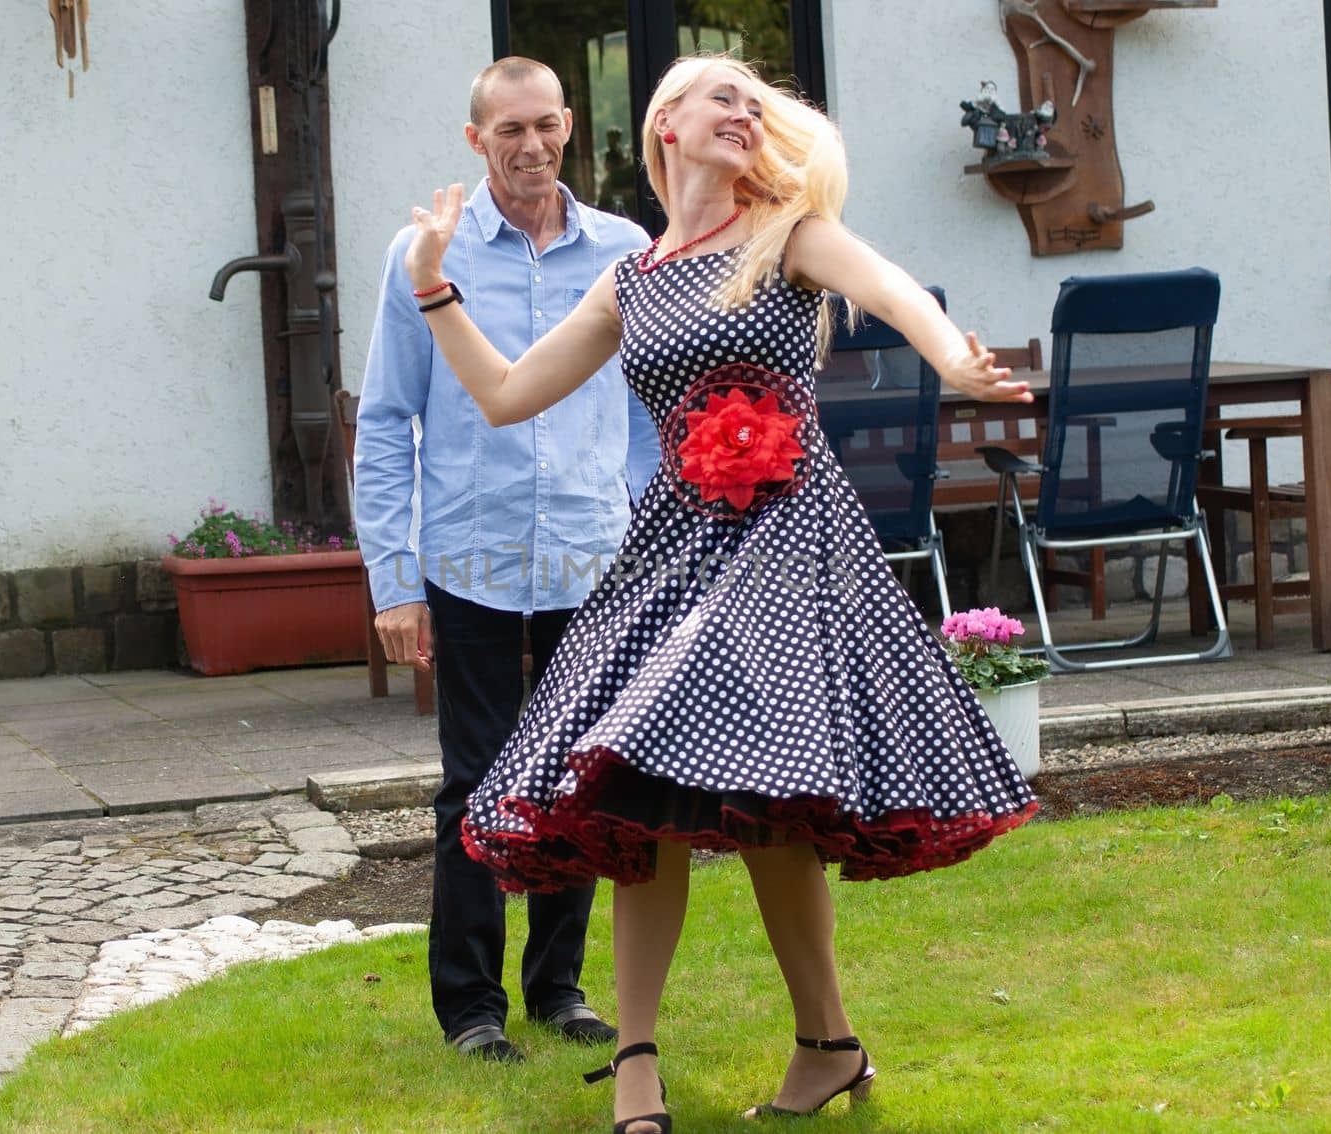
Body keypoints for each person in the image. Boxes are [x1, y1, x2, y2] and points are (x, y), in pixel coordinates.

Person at [399, 54, 1039, 1133]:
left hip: (789, 544)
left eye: (754, 103)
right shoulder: (634, 278)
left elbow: (885, 285)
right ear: (666, 125)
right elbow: (509, 394)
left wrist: (951, 356)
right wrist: (433, 285)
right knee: (643, 788)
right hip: (675, 545)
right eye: (722, 99)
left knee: (769, 799)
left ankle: (826, 1045)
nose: (743, 115)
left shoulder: (786, 232)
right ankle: (662, 1060)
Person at [354, 56, 659, 1065]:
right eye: (506, 130)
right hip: (469, 557)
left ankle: (558, 989)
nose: (528, 145)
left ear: (568, 125)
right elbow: (388, 422)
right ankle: (470, 1008)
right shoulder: (426, 253)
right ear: (474, 140)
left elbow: (653, 415)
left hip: (592, 555)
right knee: (474, 786)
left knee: (580, 779)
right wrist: (393, 583)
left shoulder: (625, 250)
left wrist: (655, 536)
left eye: (543, 125)